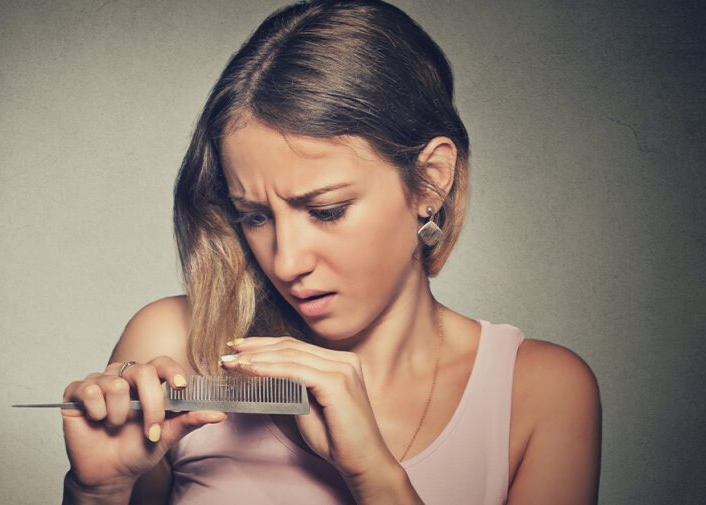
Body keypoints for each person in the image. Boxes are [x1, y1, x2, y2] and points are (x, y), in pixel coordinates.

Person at [59, 1, 601, 503]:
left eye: (327, 210)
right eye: (255, 216)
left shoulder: (540, 394)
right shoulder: (174, 349)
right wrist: (99, 491)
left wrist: (375, 476)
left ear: (431, 181)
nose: (287, 262)